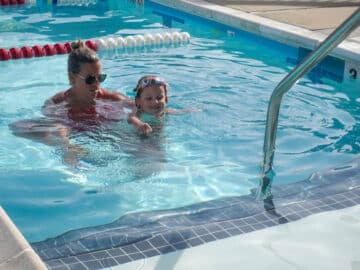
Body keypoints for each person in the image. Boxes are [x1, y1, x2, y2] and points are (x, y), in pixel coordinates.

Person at [11, 40, 133, 166]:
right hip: (72, 137)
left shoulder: (110, 98)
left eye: (100, 77)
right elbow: (55, 126)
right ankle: (69, 151)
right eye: (90, 79)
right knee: (18, 126)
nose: (96, 84)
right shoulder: (56, 102)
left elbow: (139, 105)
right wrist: (65, 143)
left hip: (107, 135)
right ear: (72, 77)